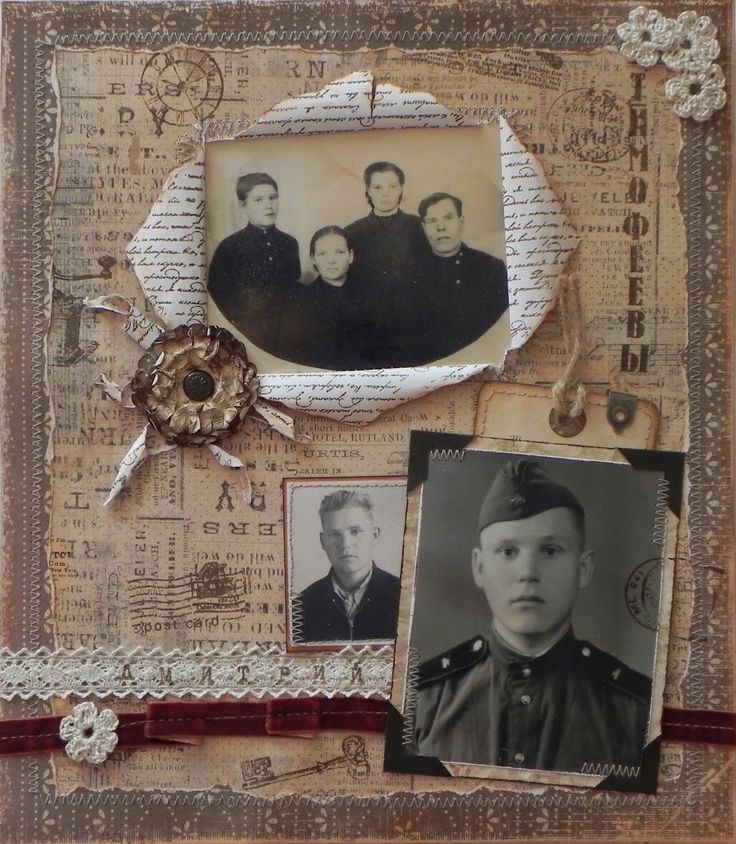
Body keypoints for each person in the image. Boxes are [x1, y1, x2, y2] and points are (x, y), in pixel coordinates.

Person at [414, 459, 652, 773]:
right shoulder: (424, 701)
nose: (528, 573)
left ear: (583, 569)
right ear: (479, 567)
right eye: (508, 551)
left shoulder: (638, 711)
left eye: (550, 550)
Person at [344, 162, 430, 366]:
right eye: (378, 187)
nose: (385, 194)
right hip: (370, 329)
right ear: (368, 191)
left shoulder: (420, 227)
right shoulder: (351, 232)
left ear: (401, 188)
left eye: (392, 186)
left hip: (415, 325)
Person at [207, 172, 301, 356]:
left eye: (273, 198)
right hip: (247, 338)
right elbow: (218, 301)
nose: (268, 205)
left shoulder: (289, 243)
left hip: (286, 336)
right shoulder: (230, 247)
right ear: (243, 206)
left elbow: (293, 291)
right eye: (258, 200)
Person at [412, 192, 509, 361]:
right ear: (423, 227)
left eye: (448, 218)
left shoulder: (492, 268)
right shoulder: (408, 274)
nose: (440, 227)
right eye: (432, 221)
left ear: (461, 222)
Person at [294, 490, 400, 643]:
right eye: (334, 534)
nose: (345, 544)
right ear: (322, 541)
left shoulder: (402, 595)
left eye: (355, 531)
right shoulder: (300, 606)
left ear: (374, 535)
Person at [280, 226, 371, 370]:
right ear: (313, 259)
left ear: (351, 256)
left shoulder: (370, 296)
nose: (331, 260)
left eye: (339, 252)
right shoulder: (301, 303)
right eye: (322, 254)